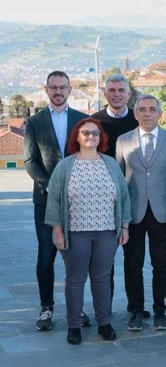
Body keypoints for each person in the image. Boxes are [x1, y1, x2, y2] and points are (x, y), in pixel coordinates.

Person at [45, 118, 131, 345]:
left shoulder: (110, 163)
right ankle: (74, 325)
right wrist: (58, 231)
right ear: (77, 137)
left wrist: (124, 226)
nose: (91, 136)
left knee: (102, 279)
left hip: (107, 233)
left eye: (95, 133)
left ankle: (104, 322)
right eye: (85, 133)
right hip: (75, 233)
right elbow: (54, 199)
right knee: (75, 280)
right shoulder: (66, 165)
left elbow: (123, 196)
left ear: (101, 137)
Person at [24, 70, 88, 331]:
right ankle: (46, 308)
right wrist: (51, 186)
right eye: (53, 87)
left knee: (76, 257)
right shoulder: (35, 122)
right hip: (45, 199)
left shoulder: (83, 120)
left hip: (79, 200)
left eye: (63, 87)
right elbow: (30, 161)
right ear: (46, 89)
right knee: (46, 256)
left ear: (70, 90)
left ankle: (78, 308)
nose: (58, 91)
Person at [116, 94, 166, 332]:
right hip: (133, 213)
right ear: (135, 114)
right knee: (132, 264)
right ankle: (135, 310)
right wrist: (122, 218)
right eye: (142, 109)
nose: (147, 113)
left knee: (161, 264)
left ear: (160, 113)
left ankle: (159, 310)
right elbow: (119, 182)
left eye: (152, 109)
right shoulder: (123, 141)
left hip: (163, 213)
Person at [92, 73, 139, 311]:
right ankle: (105, 309)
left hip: (133, 201)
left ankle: (134, 308)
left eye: (121, 90)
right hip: (102, 202)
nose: (117, 94)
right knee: (104, 262)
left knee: (133, 260)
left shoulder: (139, 119)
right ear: (105, 93)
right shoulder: (94, 123)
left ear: (129, 94)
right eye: (112, 90)